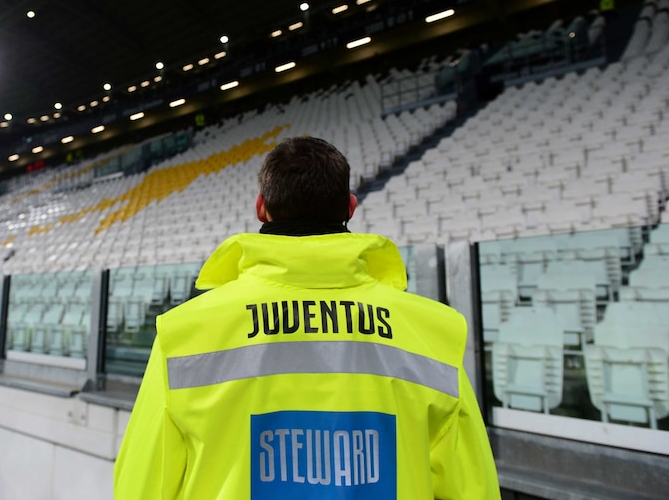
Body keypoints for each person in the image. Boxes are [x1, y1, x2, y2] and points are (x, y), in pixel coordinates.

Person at [114, 136, 500, 499]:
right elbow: (473, 488)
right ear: (350, 207)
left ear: (261, 207)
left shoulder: (184, 332)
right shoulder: (431, 331)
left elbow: (142, 485)